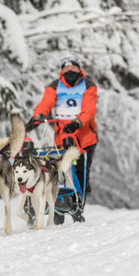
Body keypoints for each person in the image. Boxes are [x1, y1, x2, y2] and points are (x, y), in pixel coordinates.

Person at [25, 54, 97, 210]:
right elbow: (46, 103)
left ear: (79, 69)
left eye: (73, 67)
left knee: (81, 170)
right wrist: (38, 117)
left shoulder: (88, 85)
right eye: (66, 67)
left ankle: (79, 201)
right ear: (62, 70)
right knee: (61, 168)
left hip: (85, 136)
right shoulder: (55, 86)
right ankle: (61, 200)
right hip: (62, 135)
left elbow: (89, 109)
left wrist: (77, 122)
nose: (70, 70)